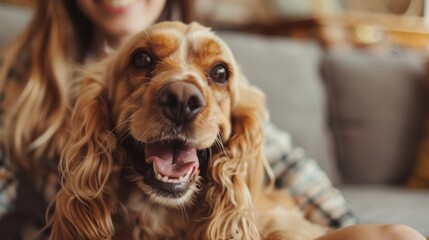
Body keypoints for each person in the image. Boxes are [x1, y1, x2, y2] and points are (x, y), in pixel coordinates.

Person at [0, 0, 426, 239]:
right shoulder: (21, 76)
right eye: (145, 61)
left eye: (216, 75)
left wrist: (353, 230)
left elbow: (288, 165)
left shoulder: (241, 120)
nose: (182, 95)